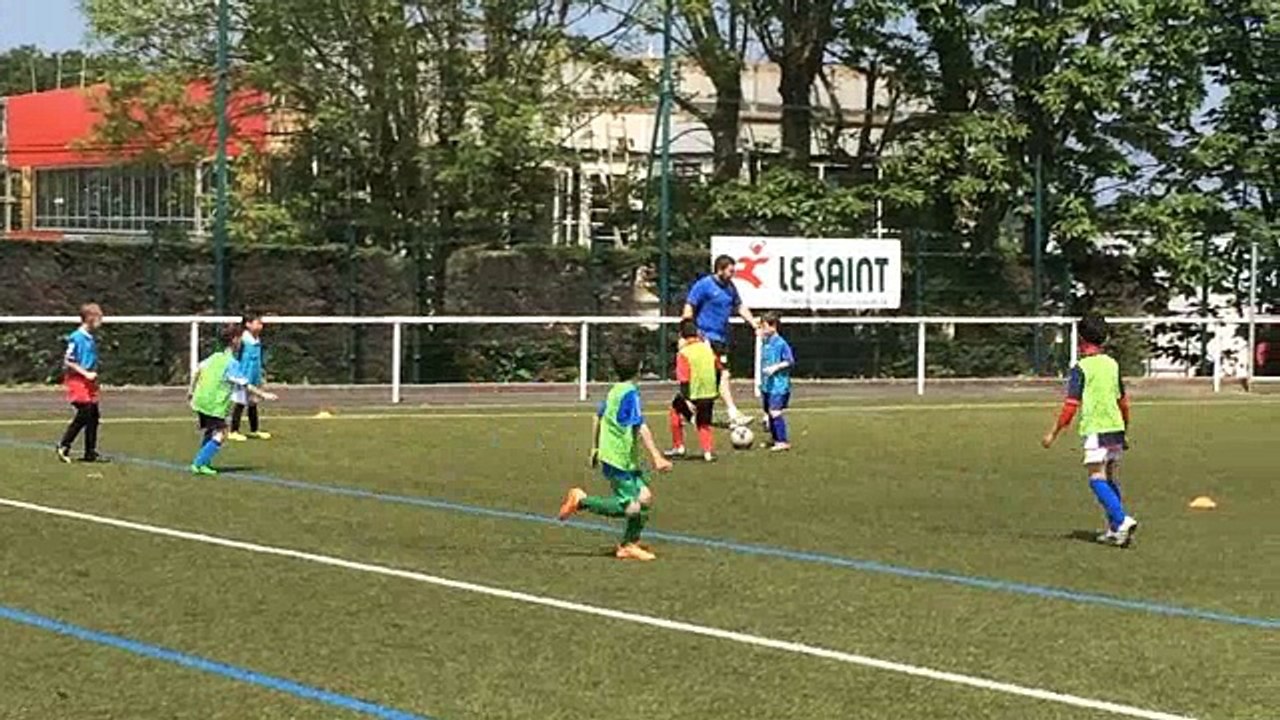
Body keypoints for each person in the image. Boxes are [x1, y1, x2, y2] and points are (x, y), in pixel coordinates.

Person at [557, 351, 673, 561]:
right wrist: (657, 456)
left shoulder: (615, 391)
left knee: (644, 497)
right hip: (616, 459)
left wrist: (594, 448)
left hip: (623, 457)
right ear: (639, 368)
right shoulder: (629, 394)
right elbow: (640, 426)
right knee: (631, 506)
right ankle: (582, 501)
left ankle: (630, 543)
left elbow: (597, 417)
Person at [1042, 313, 1139, 547]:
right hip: (1115, 426)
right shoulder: (1112, 364)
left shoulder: (1081, 368)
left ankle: (1121, 519)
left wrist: (1053, 433)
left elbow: (1070, 405)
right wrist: (1125, 428)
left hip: (1097, 428)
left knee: (1096, 477)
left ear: (1081, 339)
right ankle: (1116, 530)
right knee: (1110, 476)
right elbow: (1123, 402)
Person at [188, 323, 278, 476]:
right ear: (235, 340)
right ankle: (198, 463)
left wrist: (190, 390)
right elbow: (245, 385)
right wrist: (264, 395)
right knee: (221, 433)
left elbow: (197, 371)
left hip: (200, 400)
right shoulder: (231, 363)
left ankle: (204, 462)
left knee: (211, 431)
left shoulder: (215, 357)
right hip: (213, 404)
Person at [682, 254, 758, 427]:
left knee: (714, 377)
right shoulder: (704, 285)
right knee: (722, 374)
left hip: (721, 339)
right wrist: (688, 332)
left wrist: (753, 323)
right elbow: (689, 306)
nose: (733, 275)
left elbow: (739, 306)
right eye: (730, 271)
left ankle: (687, 410)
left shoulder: (730, 287)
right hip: (704, 338)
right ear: (720, 269)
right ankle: (733, 413)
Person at [57, 303, 107, 463]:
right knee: (85, 412)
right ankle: (64, 445)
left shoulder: (90, 338)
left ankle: (90, 452)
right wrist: (85, 373)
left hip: (89, 381)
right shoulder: (76, 337)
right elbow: (68, 360)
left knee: (93, 415)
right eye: (99, 318)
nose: (101, 322)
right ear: (90, 318)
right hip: (77, 380)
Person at [666, 320, 720, 462]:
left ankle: (679, 447)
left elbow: (684, 379)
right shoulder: (708, 349)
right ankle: (707, 453)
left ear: (682, 336)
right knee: (705, 423)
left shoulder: (684, 353)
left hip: (693, 393)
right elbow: (718, 368)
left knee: (674, 409)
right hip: (710, 393)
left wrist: (687, 399)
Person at [228, 310, 271, 441]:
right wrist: (237, 375)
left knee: (253, 403)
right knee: (240, 403)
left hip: (254, 376)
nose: (260, 326)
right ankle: (233, 431)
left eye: (261, 323)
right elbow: (235, 357)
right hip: (242, 376)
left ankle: (254, 430)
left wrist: (260, 375)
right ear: (248, 324)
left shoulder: (257, 339)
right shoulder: (242, 340)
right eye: (257, 323)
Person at [758, 313, 795, 452]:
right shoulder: (766, 342)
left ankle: (782, 441)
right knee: (768, 412)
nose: (762, 329)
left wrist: (775, 367)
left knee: (775, 412)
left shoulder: (781, 343)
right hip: (767, 385)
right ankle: (774, 439)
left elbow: (790, 361)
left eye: (764, 326)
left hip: (779, 385)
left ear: (773, 326)